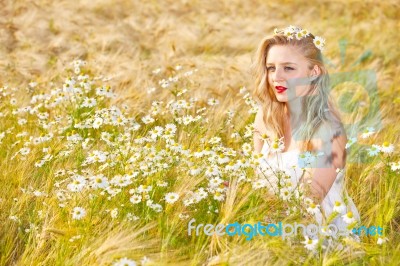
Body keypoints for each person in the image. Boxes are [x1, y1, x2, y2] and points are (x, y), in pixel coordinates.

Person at [250, 26, 361, 242]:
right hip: (262, 225)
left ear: (314, 72)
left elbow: (309, 200)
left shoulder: (329, 130)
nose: (277, 77)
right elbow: (254, 178)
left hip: (315, 236)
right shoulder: (265, 118)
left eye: (288, 68)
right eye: (271, 68)